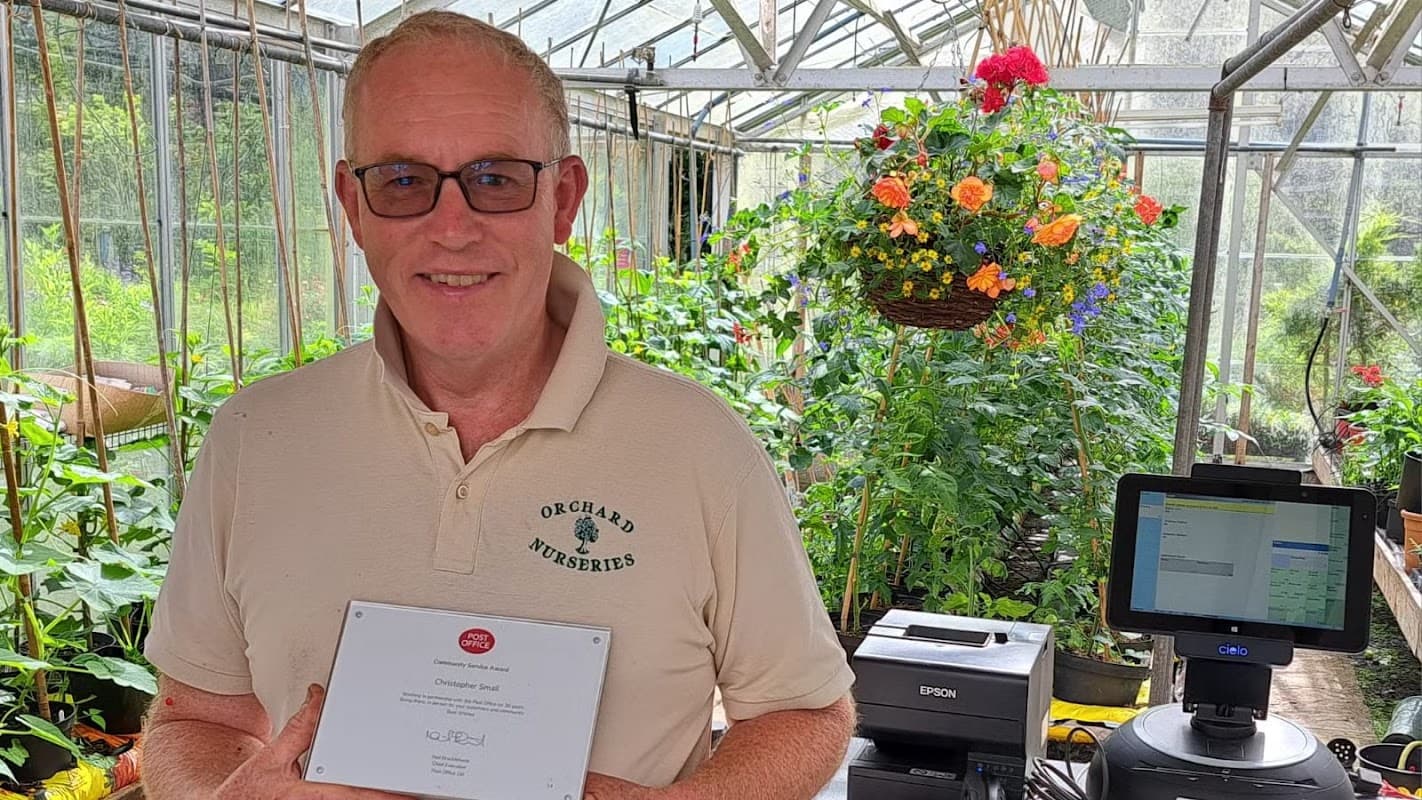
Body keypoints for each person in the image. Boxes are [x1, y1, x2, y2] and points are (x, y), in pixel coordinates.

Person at [140, 10, 857, 800]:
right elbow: (194, 720)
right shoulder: (257, 438)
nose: (453, 229)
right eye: (405, 181)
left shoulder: (699, 448)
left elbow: (808, 712)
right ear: (352, 204)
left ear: (563, 198)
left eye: (495, 179)